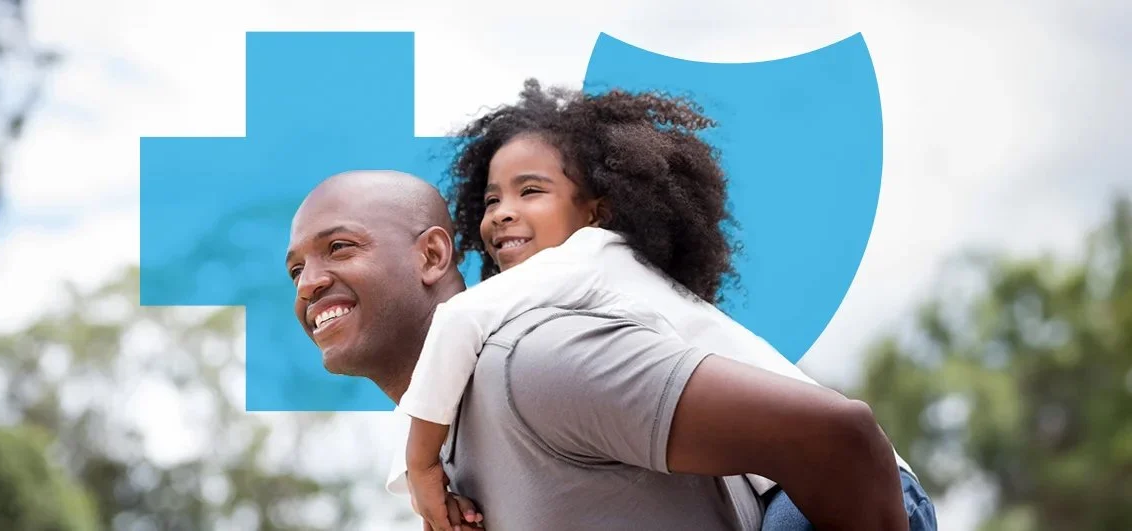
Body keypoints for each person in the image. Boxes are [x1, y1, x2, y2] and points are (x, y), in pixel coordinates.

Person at [391, 80, 937, 531]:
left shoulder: (592, 254)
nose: (502, 214)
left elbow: (458, 318)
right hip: (798, 488)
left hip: (841, 490)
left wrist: (420, 467)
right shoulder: (572, 297)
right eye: (492, 199)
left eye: (530, 191)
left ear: (596, 213)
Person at [286, 169, 914, 530]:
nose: (309, 282)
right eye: (295, 270)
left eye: (339, 248)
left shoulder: (530, 362)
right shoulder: (446, 459)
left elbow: (840, 437)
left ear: (431, 255)